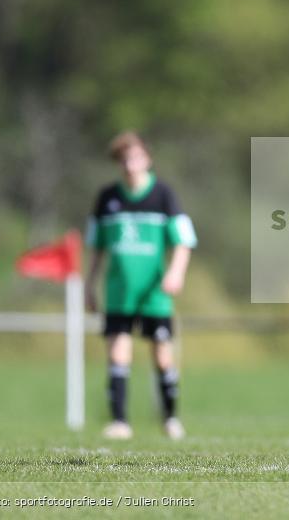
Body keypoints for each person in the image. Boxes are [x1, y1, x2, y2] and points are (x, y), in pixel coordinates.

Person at [85, 131, 197, 440]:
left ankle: (170, 418)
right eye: (123, 159)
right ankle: (120, 422)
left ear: (146, 159)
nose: (129, 163)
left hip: (154, 294)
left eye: (134, 157)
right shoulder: (107, 198)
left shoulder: (163, 195)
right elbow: (96, 247)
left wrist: (176, 273)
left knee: (162, 355)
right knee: (118, 354)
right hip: (119, 293)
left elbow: (184, 240)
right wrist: (88, 285)